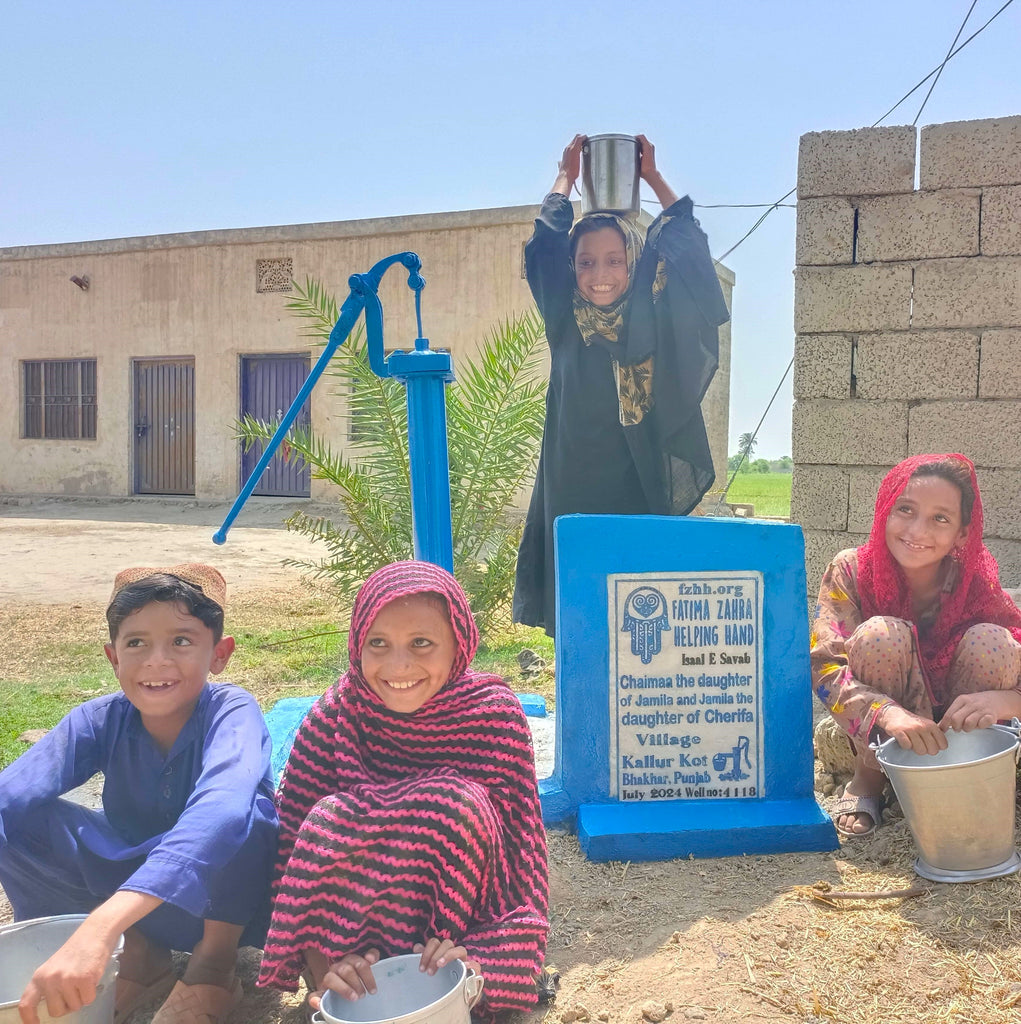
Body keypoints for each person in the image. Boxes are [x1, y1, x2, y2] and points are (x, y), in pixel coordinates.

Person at [257, 560, 549, 1022]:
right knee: (327, 817)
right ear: (357, 644)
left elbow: (520, 858)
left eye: (422, 643)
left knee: (455, 805)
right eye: (378, 643)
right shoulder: (335, 717)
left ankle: (448, 984)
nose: (398, 666)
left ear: (460, 644)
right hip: (353, 953)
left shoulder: (493, 718)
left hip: (455, 938)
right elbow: (294, 848)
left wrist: (481, 957)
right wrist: (322, 965)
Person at [0, 564, 278, 1024]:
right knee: (14, 819)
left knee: (249, 814)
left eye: (182, 641)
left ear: (220, 654)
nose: (156, 661)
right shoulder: (96, 720)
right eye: (136, 643)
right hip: (134, 891)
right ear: (113, 657)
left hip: (226, 899)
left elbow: (223, 811)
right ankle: (140, 953)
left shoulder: (232, 710)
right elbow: (8, 796)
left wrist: (102, 925)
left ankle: (214, 966)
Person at [513, 133, 731, 637]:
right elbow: (544, 246)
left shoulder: (653, 316)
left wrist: (652, 176)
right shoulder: (565, 319)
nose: (600, 275)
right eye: (586, 262)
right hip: (573, 487)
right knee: (579, 617)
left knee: (641, 613)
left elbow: (689, 249)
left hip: (641, 482)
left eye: (614, 260)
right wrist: (566, 179)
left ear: (632, 263)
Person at [811, 454, 1021, 837]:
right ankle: (871, 775)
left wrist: (1005, 701)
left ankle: (963, 771)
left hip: (957, 721)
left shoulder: (975, 582)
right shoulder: (851, 570)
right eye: (905, 509)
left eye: (940, 518)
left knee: (994, 641)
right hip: (886, 720)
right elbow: (825, 664)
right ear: (884, 510)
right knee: (880, 636)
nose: (918, 530)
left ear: (961, 534)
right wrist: (886, 713)